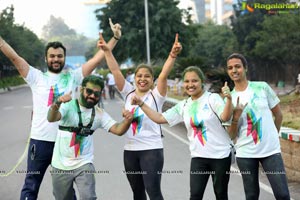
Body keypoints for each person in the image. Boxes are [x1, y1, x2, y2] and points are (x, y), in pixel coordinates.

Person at [0, 18, 122, 200]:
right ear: (46, 58)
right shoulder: (36, 77)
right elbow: (14, 57)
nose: (56, 59)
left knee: (66, 192)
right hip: (40, 142)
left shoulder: (74, 76)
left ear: (64, 58)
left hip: (65, 143)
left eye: (59, 56)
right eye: (52, 56)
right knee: (31, 185)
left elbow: (98, 58)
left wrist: (115, 38)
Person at [99, 33, 182, 200]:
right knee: (137, 193)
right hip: (130, 150)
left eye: (147, 76)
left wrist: (172, 55)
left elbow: (164, 75)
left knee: (153, 191)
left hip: (151, 150)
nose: (142, 79)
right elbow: (115, 70)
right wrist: (107, 51)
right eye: (139, 76)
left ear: (152, 80)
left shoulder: (156, 95)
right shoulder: (128, 92)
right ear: (134, 78)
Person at [131, 66, 234, 200]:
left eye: (194, 81)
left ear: (201, 82)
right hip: (198, 156)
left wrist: (229, 100)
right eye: (187, 81)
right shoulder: (184, 105)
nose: (190, 85)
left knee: (220, 194)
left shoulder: (212, 99)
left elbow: (225, 117)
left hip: (220, 156)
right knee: (195, 195)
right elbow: (160, 118)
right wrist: (141, 104)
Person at [47, 75, 133, 200]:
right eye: (89, 91)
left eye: (97, 94)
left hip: (84, 163)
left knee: (89, 197)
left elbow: (118, 130)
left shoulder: (99, 114)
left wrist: (127, 121)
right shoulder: (68, 105)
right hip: (60, 165)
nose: (92, 96)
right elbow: (51, 118)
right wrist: (57, 103)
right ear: (82, 90)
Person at [225, 53, 290, 200]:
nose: (234, 70)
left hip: (270, 151)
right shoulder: (230, 98)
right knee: (252, 196)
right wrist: (235, 117)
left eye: (237, 66)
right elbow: (231, 135)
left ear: (245, 68)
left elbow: (278, 115)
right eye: (230, 68)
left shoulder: (262, 87)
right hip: (245, 154)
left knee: (283, 195)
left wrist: (274, 136)